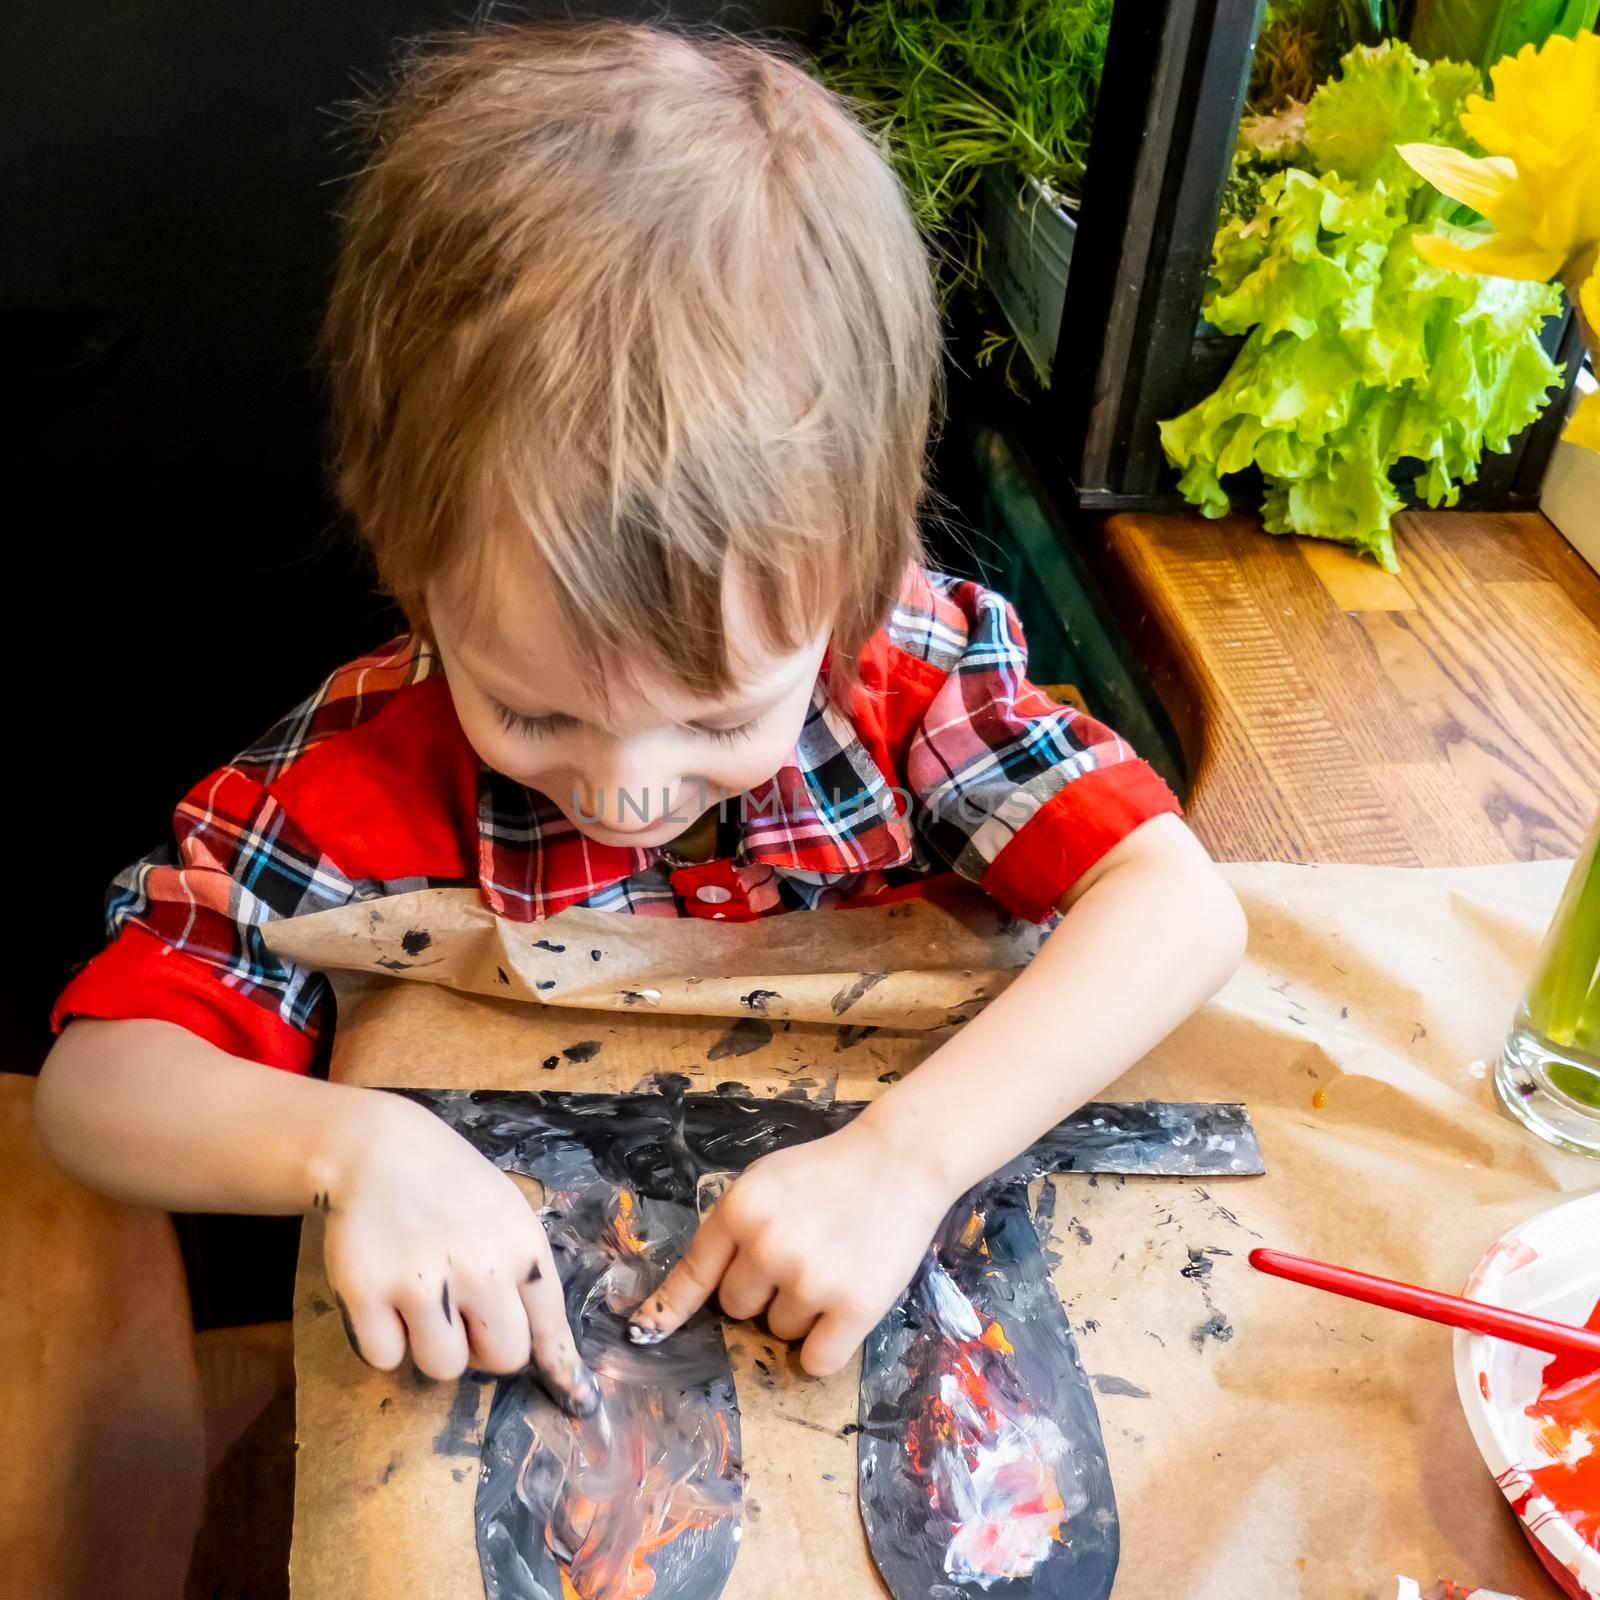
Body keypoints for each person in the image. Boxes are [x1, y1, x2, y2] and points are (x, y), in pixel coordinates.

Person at [35, 21, 1246, 1414]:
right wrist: (350, 1147)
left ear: (851, 587)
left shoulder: (905, 681)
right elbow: (96, 1088)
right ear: (412, 568)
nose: (622, 791)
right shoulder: (363, 768)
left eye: (719, 718)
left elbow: (1178, 910)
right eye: (535, 713)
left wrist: (906, 1161)